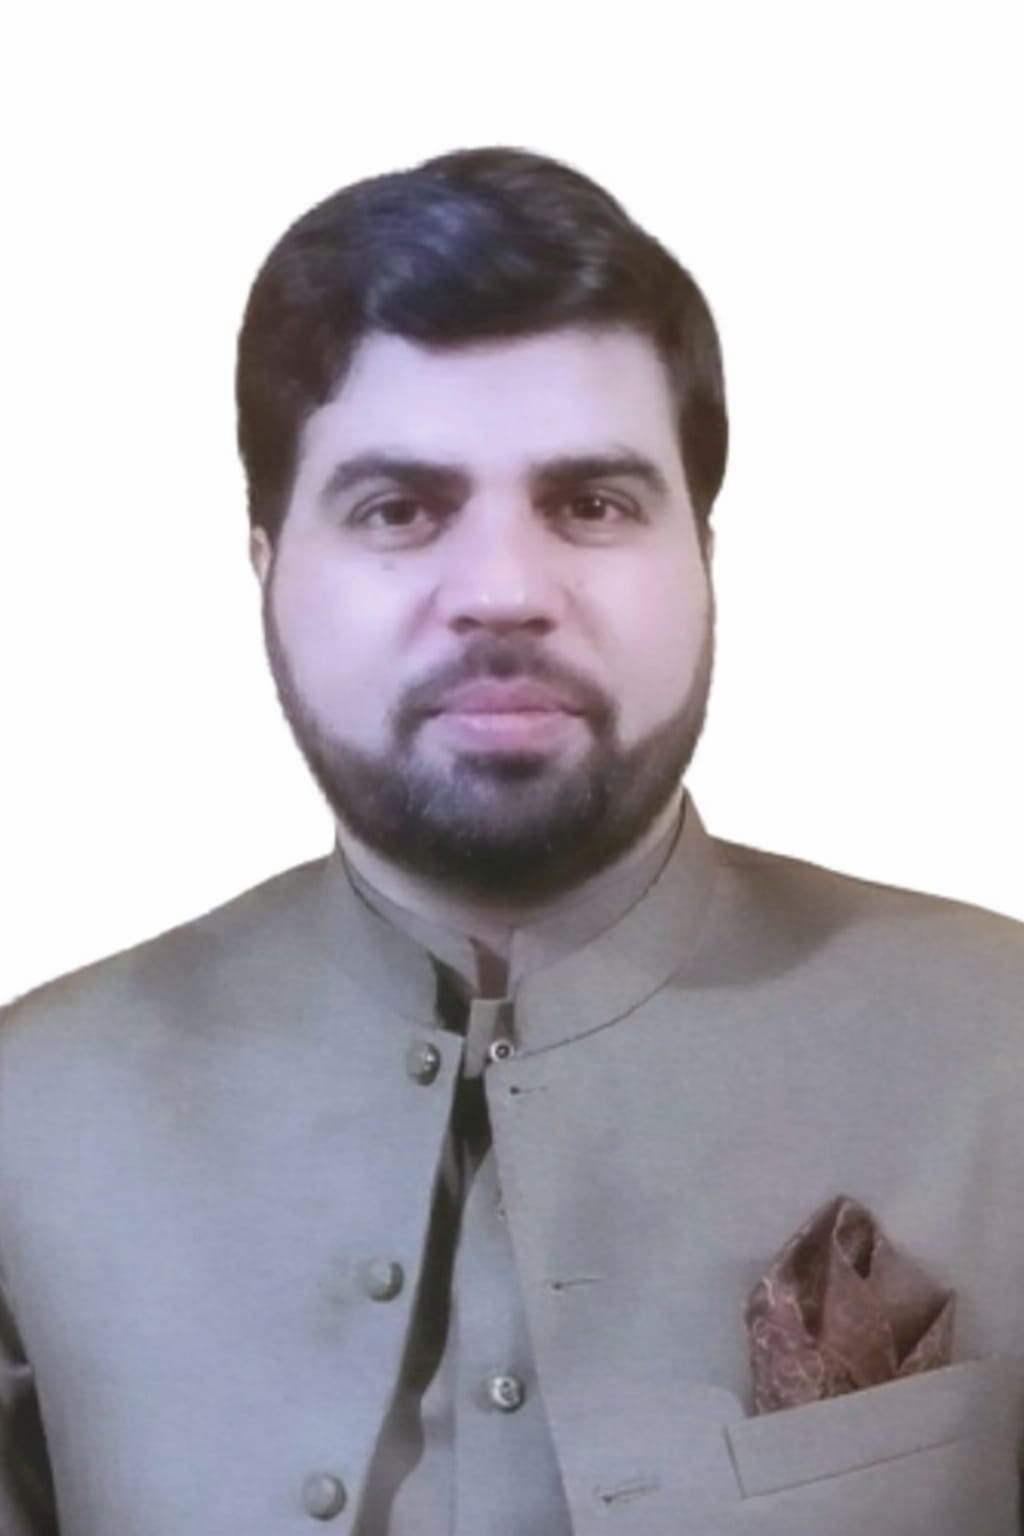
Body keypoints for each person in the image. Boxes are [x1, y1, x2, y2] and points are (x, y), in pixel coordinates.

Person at [2, 144, 1023, 1536]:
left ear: (704, 556)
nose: (500, 590)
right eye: (398, 509)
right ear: (267, 566)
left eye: (591, 504)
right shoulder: (33, 1112)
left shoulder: (1000, 1048)